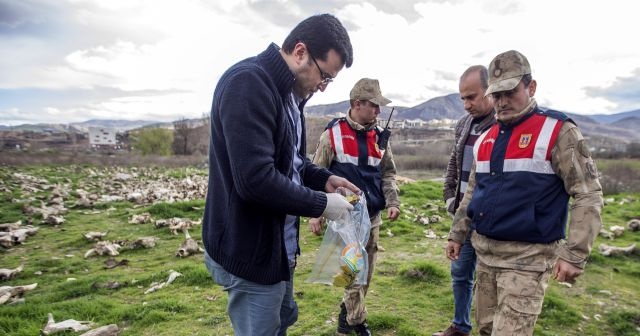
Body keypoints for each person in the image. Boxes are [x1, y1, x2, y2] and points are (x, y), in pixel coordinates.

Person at [201, 14, 360, 336]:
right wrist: (321, 204)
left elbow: (290, 160)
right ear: (300, 52)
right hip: (250, 249)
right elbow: (255, 179)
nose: (322, 86)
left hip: (279, 248)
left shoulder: (290, 96)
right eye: (324, 76)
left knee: (281, 321)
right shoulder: (248, 84)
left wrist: (321, 178)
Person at [446, 50, 603, 336]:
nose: (502, 101)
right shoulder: (486, 138)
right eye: (496, 95)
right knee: (485, 330)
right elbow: (472, 192)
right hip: (486, 257)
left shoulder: (557, 131)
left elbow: (587, 193)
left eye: (510, 91)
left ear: (531, 87)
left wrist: (575, 253)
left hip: (527, 262)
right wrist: (457, 233)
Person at [308, 78, 401, 336]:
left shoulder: (380, 138)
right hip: (345, 219)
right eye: (374, 105)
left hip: (372, 217)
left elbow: (388, 174)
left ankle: (345, 316)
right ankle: (358, 323)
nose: (378, 111)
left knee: (366, 273)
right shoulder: (333, 134)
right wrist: (316, 214)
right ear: (357, 104)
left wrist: (393, 201)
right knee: (352, 272)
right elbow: (317, 173)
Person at [435, 65, 496, 336]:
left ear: (490, 91)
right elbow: (453, 165)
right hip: (462, 216)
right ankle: (460, 326)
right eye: (462, 98)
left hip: (489, 220)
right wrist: (450, 199)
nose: (466, 104)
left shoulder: (502, 125)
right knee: (460, 273)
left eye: (471, 97)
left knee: (488, 281)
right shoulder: (464, 124)